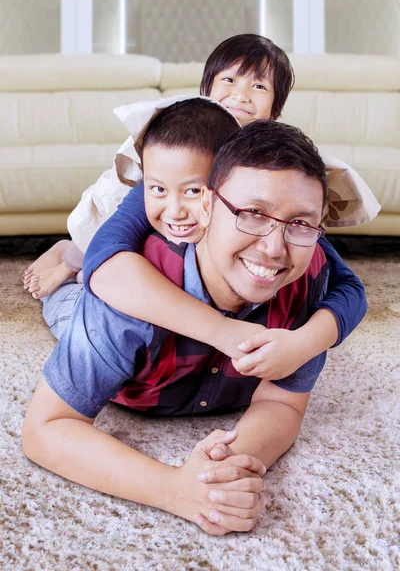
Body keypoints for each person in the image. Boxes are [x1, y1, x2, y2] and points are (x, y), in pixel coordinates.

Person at [23, 119, 348, 536]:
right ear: (208, 207)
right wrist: (175, 489)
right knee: (66, 306)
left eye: (300, 224)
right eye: (252, 214)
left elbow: (282, 404)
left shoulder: (309, 279)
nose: (274, 248)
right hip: (115, 351)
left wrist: (223, 470)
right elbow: (45, 429)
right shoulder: (130, 295)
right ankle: (68, 261)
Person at [22, 34, 379, 300]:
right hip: (147, 210)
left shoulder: (268, 156)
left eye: (258, 86)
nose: (241, 94)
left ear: (276, 107)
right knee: (108, 238)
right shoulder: (192, 139)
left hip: (207, 236)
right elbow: (134, 212)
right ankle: (67, 257)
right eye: (229, 80)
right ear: (206, 88)